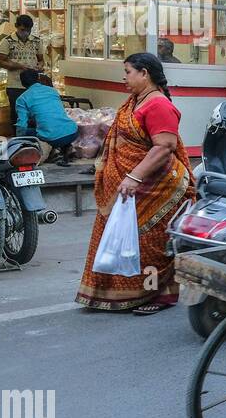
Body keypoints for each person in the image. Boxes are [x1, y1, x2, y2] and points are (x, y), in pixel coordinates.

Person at [76, 53, 195, 315]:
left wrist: (133, 177)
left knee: (150, 244)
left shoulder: (159, 105)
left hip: (157, 187)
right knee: (121, 240)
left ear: (145, 73)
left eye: (128, 71)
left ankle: (159, 294)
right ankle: (110, 292)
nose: (124, 77)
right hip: (130, 188)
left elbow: (164, 147)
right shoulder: (135, 102)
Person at [16, 68, 78, 164]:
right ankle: (66, 148)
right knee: (54, 126)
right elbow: (54, 112)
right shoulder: (52, 91)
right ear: (38, 79)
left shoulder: (22, 99)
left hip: (52, 138)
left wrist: (17, 142)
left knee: (29, 132)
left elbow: (21, 125)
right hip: (72, 132)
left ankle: (51, 151)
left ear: (22, 83)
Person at [0, 15, 46, 120]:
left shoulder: (36, 41)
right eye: (23, 30)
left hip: (33, 85)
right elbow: (0, 62)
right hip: (15, 85)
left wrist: (40, 66)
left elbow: (41, 60)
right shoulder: (7, 41)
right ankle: (17, 135)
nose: (26, 33)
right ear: (16, 26)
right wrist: (18, 66)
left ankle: (32, 134)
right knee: (17, 115)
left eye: (29, 30)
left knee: (33, 113)